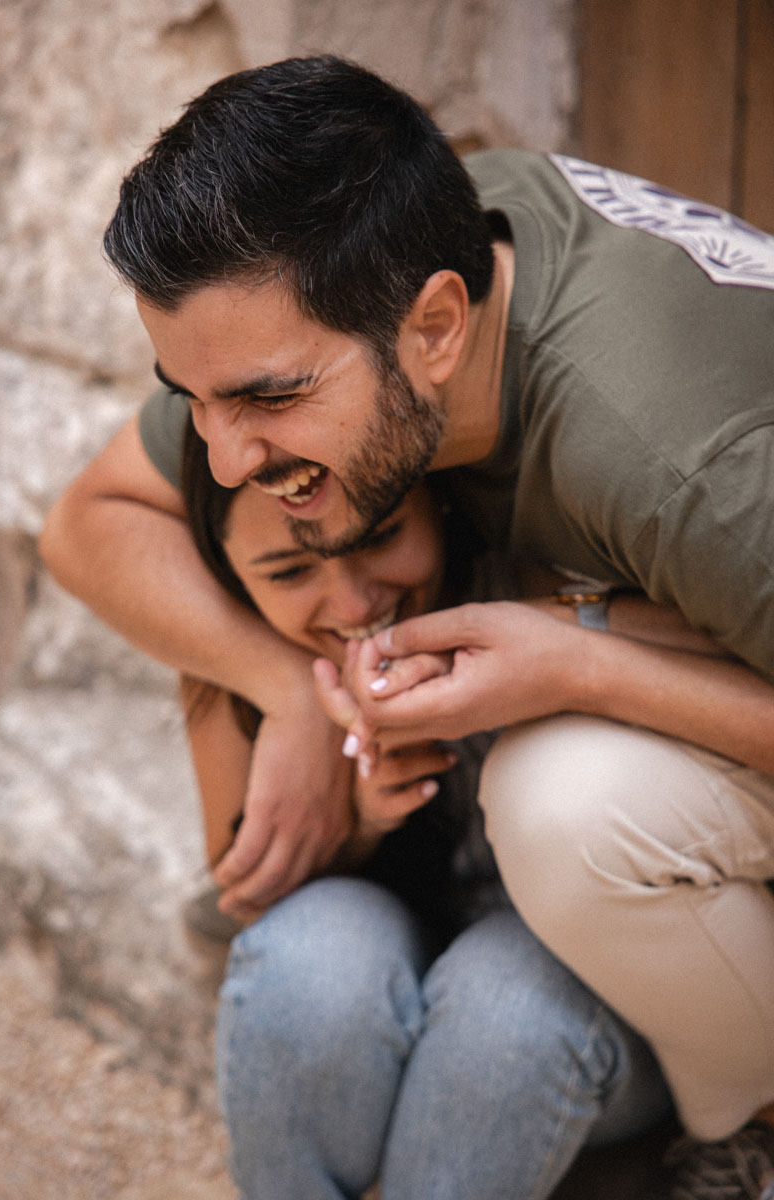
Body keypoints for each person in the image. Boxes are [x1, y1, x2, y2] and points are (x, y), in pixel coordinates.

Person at [39, 56, 774, 1198]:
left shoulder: (672, 464)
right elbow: (89, 520)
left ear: (436, 326)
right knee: (310, 972)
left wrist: (579, 661)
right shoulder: (371, 268)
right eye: (195, 401)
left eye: (268, 401)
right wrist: (281, 684)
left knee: (555, 832)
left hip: (669, 877)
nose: (226, 459)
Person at [179, 416, 689, 1198]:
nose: (354, 602)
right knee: (306, 960)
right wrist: (361, 819)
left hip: (590, 1007)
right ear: (232, 576)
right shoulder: (243, 668)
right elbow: (253, 902)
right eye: (287, 572)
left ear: (437, 504)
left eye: (380, 537)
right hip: (406, 966)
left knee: (507, 999)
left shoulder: (530, 592)